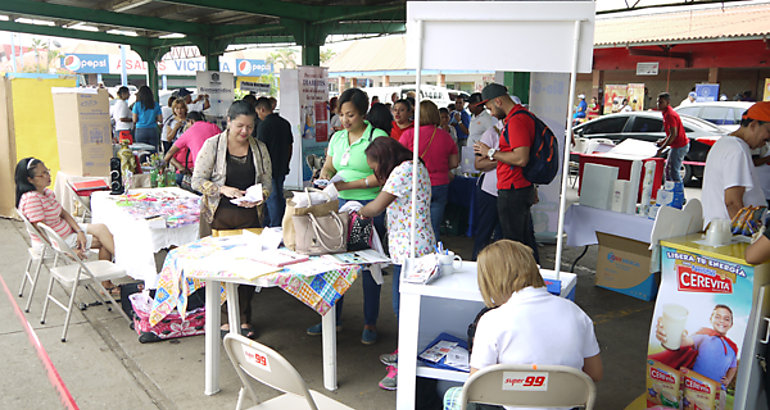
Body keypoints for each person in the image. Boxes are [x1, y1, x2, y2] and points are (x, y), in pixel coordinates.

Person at [443, 240, 602, 410]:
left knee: (450, 395)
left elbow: (477, 386)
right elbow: (595, 374)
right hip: (565, 406)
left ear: (492, 280)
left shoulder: (492, 321)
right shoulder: (576, 313)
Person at [358, 137, 436, 391]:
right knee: (407, 307)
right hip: (415, 247)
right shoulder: (414, 166)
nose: (374, 172)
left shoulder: (403, 171)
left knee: (404, 309)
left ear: (385, 158)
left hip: (410, 252)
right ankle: (405, 353)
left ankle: (405, 368)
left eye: (374, 167)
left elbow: (377, 207)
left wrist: (357, 211)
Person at [191, 100, 272, 339]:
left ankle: (245, 319)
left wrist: (259, 197)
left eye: (249, 127)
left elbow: (267, 182)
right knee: (221, 270)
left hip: (249, 217)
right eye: (239, 126)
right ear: (228, 121)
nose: (245, 132)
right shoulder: (212, 145)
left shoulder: (259, 148)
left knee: (247, 271)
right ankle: (225, 319)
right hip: (218, 218)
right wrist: (222, 189)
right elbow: (197, 181)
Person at [315, 87, 389, 345]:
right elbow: (329, 165)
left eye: (351, 115)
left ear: (363, 113)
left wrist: (345, 186)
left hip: (369, 208)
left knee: (369, 266)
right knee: (335, 263)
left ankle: (370, 322)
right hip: (339, 207)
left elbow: (381, 177)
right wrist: (325, 177)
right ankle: (332, 317)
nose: (345, 121)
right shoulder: (337, 138)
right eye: (342, 115)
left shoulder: (377, 137)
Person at [15, 158, 121, 297]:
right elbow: (42, 233)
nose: (48, 176)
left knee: (101, 228)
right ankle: (112, 279)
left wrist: (79, 231)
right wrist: (68, 251)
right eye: (43, 174)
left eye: (47, 171)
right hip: (52, 243)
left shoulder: (46, 193)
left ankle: (122, 265)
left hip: (65, 232)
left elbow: (63, 213)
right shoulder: (32, 199)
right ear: (30, 180)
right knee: (103, 241)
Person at [473, 83, 541, 263]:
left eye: (490, 109)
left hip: (513, 188)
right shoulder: (521, 117)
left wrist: (491, 152)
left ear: (498, 101)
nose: (491, 114)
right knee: (523, 241)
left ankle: (519, 283)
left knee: (514, 246)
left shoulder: (517, 120)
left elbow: (521, 158)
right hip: (516, 186)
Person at [702, 102, 770, 226]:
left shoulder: (725, 143)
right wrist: (748, 233)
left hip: (722, 230)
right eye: (769, 131)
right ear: (753, 125)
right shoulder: (737, 150)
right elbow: (732, 202)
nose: (768, 140)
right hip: (731, 235)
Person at [399, 100, 459, 241]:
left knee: (414, 226)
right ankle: (433, 259)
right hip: (440, 185)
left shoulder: (409, 135)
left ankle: (416, 259)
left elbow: (398, 161)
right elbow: (454, 163)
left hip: (415, 185)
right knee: (433, 228)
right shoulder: (445, 136)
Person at [652, 305, 738, 388]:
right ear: (711, 319)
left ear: (731, 324)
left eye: (726, 319)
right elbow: (685, 341)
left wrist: (728, 380)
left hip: (718, 389)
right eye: (717, 317)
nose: (721, 321)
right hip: (695, 385)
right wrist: (670, 334)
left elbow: (733, 367)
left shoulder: (732, 347)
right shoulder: (704, 336)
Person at [255, 96, 293, 228]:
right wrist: (287, 162)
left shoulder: (263, 125)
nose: (258, 115)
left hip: (268, 167)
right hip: (282, 164)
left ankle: (275, 225)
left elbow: (260, 149)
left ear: (262, 109)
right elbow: (290, 145)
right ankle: (280, 220)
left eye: (258, 112)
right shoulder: (285, 123)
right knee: (279, 194)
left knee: (272, 197)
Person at [472, 120, 503, 260]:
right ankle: (476, 265)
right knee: (485, 230)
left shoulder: (519, 133)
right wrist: (503, 160)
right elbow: (478, 163)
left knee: (503, 234)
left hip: (510, 190)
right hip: (489, 190)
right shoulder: (491, 134)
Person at [163, 111, 221, 187]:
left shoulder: (189, 131)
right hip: (218, 169)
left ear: (190, 121)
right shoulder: (214, 127)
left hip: (201, 171)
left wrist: (162, 168)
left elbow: (169, 153)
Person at [655, 92, 690, 193]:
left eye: (661, 102)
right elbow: (670, 134)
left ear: (668, 102)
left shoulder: (670, 115)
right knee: (668, 169)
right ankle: (668, 190)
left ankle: (680, 194)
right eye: (658, 102)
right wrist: (662, 142)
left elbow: (673, 134)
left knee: (674, 171)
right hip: (676, 145)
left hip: (679, 146)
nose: (658, 104)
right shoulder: (666, 113)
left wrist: (662, 149)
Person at [132, 85, 162, 151]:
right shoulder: (156, 104)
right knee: (153, 152)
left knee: (141, 152)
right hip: (152, 130)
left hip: (140, 130)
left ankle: (143, 161)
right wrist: (154, 119)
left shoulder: (137, 105)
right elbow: (160, 119)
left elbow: (134, 120)